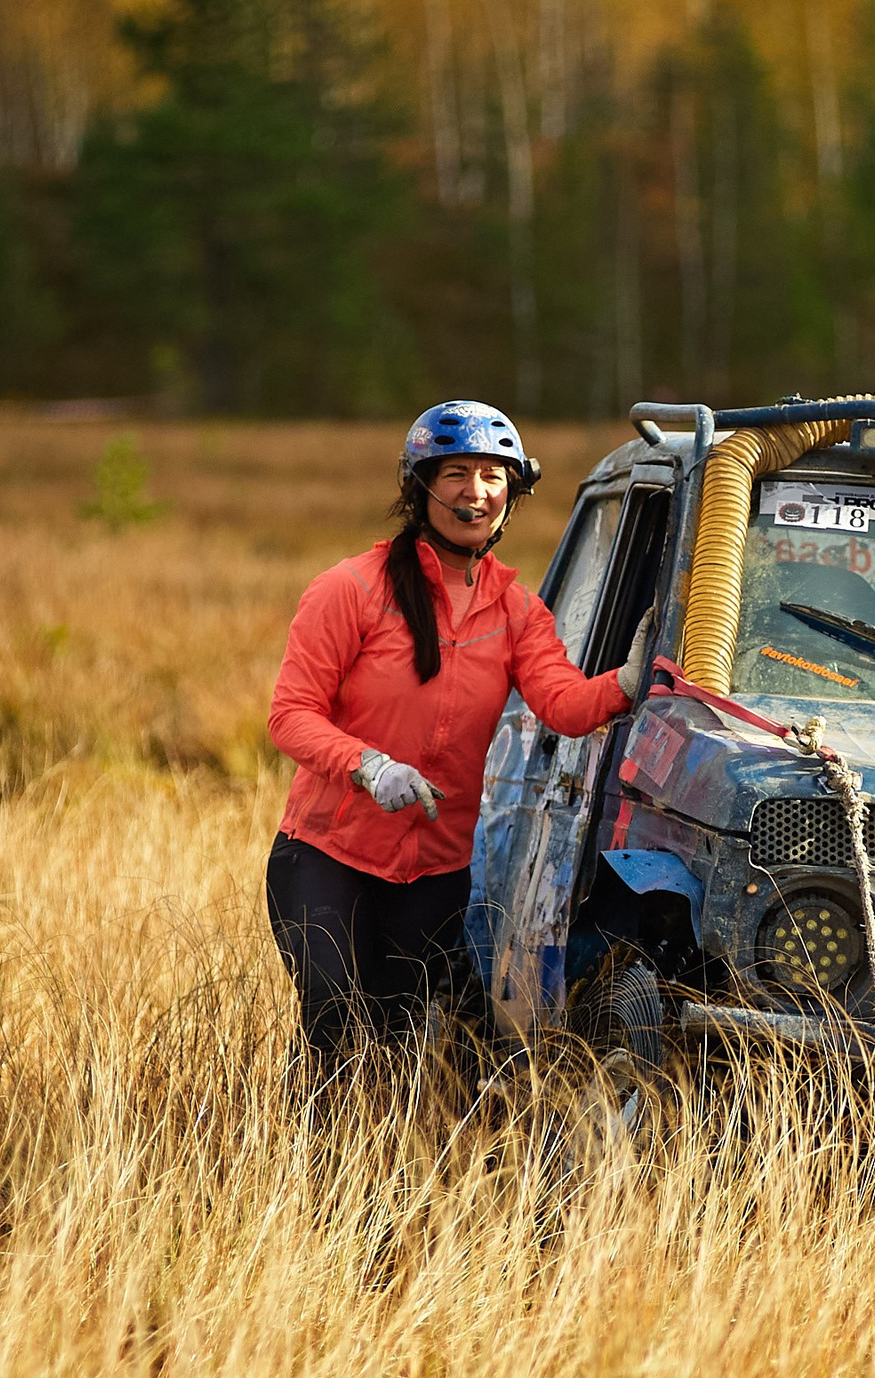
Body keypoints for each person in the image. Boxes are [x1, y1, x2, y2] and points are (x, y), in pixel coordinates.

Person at [263, 401, 650, 1065]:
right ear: (421, 486)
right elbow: (290, 713)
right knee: (337, 1030)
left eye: (494, 477)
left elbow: (561, 703)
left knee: (399, 1043)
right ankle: (317, 1163)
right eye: (457, 474)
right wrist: (369, 766)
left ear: (513, 492)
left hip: (436, 873)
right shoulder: (351, 588)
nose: (476, 492)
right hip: (328, 856)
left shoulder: (517, 611)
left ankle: (392, 1163)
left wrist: (628, 679)